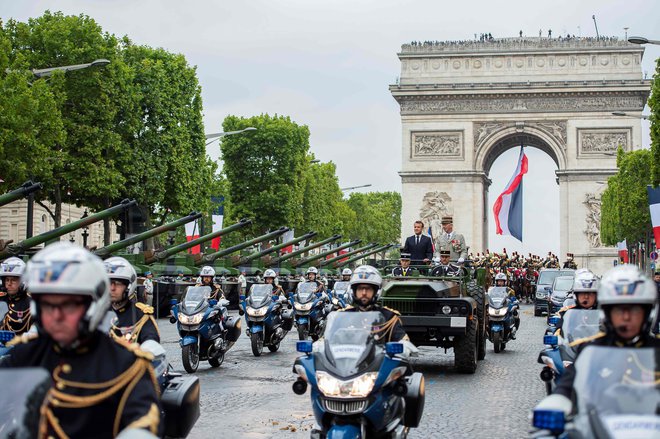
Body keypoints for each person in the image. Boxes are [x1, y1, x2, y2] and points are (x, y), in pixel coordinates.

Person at [0, 242, 162, 438]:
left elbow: (144, 421)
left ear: (90, 305)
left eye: (69, 306)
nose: (57, 316)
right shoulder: (26, 354)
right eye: (48, 305)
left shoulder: (128, 366)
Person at [552, 265, 659, 401]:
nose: (626, 317)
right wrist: (556, 402)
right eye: (619, 310)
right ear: (607, 314)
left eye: (634, 310)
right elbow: (566, 386)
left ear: (648, 313)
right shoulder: (590, 350)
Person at [342, 265, 408, 343]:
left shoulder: (389, 317)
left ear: (376, 292)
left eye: (368, 289)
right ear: (354, 291)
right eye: (360, 289)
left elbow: (403, 342)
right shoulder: (343, 316)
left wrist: (403, 346)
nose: (364, 293)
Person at [106, 256, 160, 345]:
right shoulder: (96, 313)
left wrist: (150, 346)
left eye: (118, 284)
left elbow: (150, 337)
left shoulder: (141, 315)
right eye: (108, 283)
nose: (112, 288)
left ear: (128, 286)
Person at [0, 257, 33, 335]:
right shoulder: (1, 298)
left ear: (23, 282)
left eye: (13, 280)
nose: (9, 283)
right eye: (7, 280)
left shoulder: (30, 303)